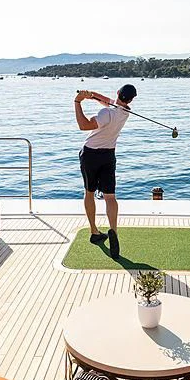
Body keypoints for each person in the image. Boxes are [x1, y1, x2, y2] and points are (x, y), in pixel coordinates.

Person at [73, 84, 137, 259]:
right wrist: (91, 95)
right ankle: (113, 230)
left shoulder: (106, 113)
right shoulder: (125, 112)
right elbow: (107, 101)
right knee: (110, 197)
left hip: (90, 155)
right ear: (130, 100)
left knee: (89, 193)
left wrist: (78, 102)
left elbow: (83, 125)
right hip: (109, 155)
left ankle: (94, 231)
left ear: (118, 93)